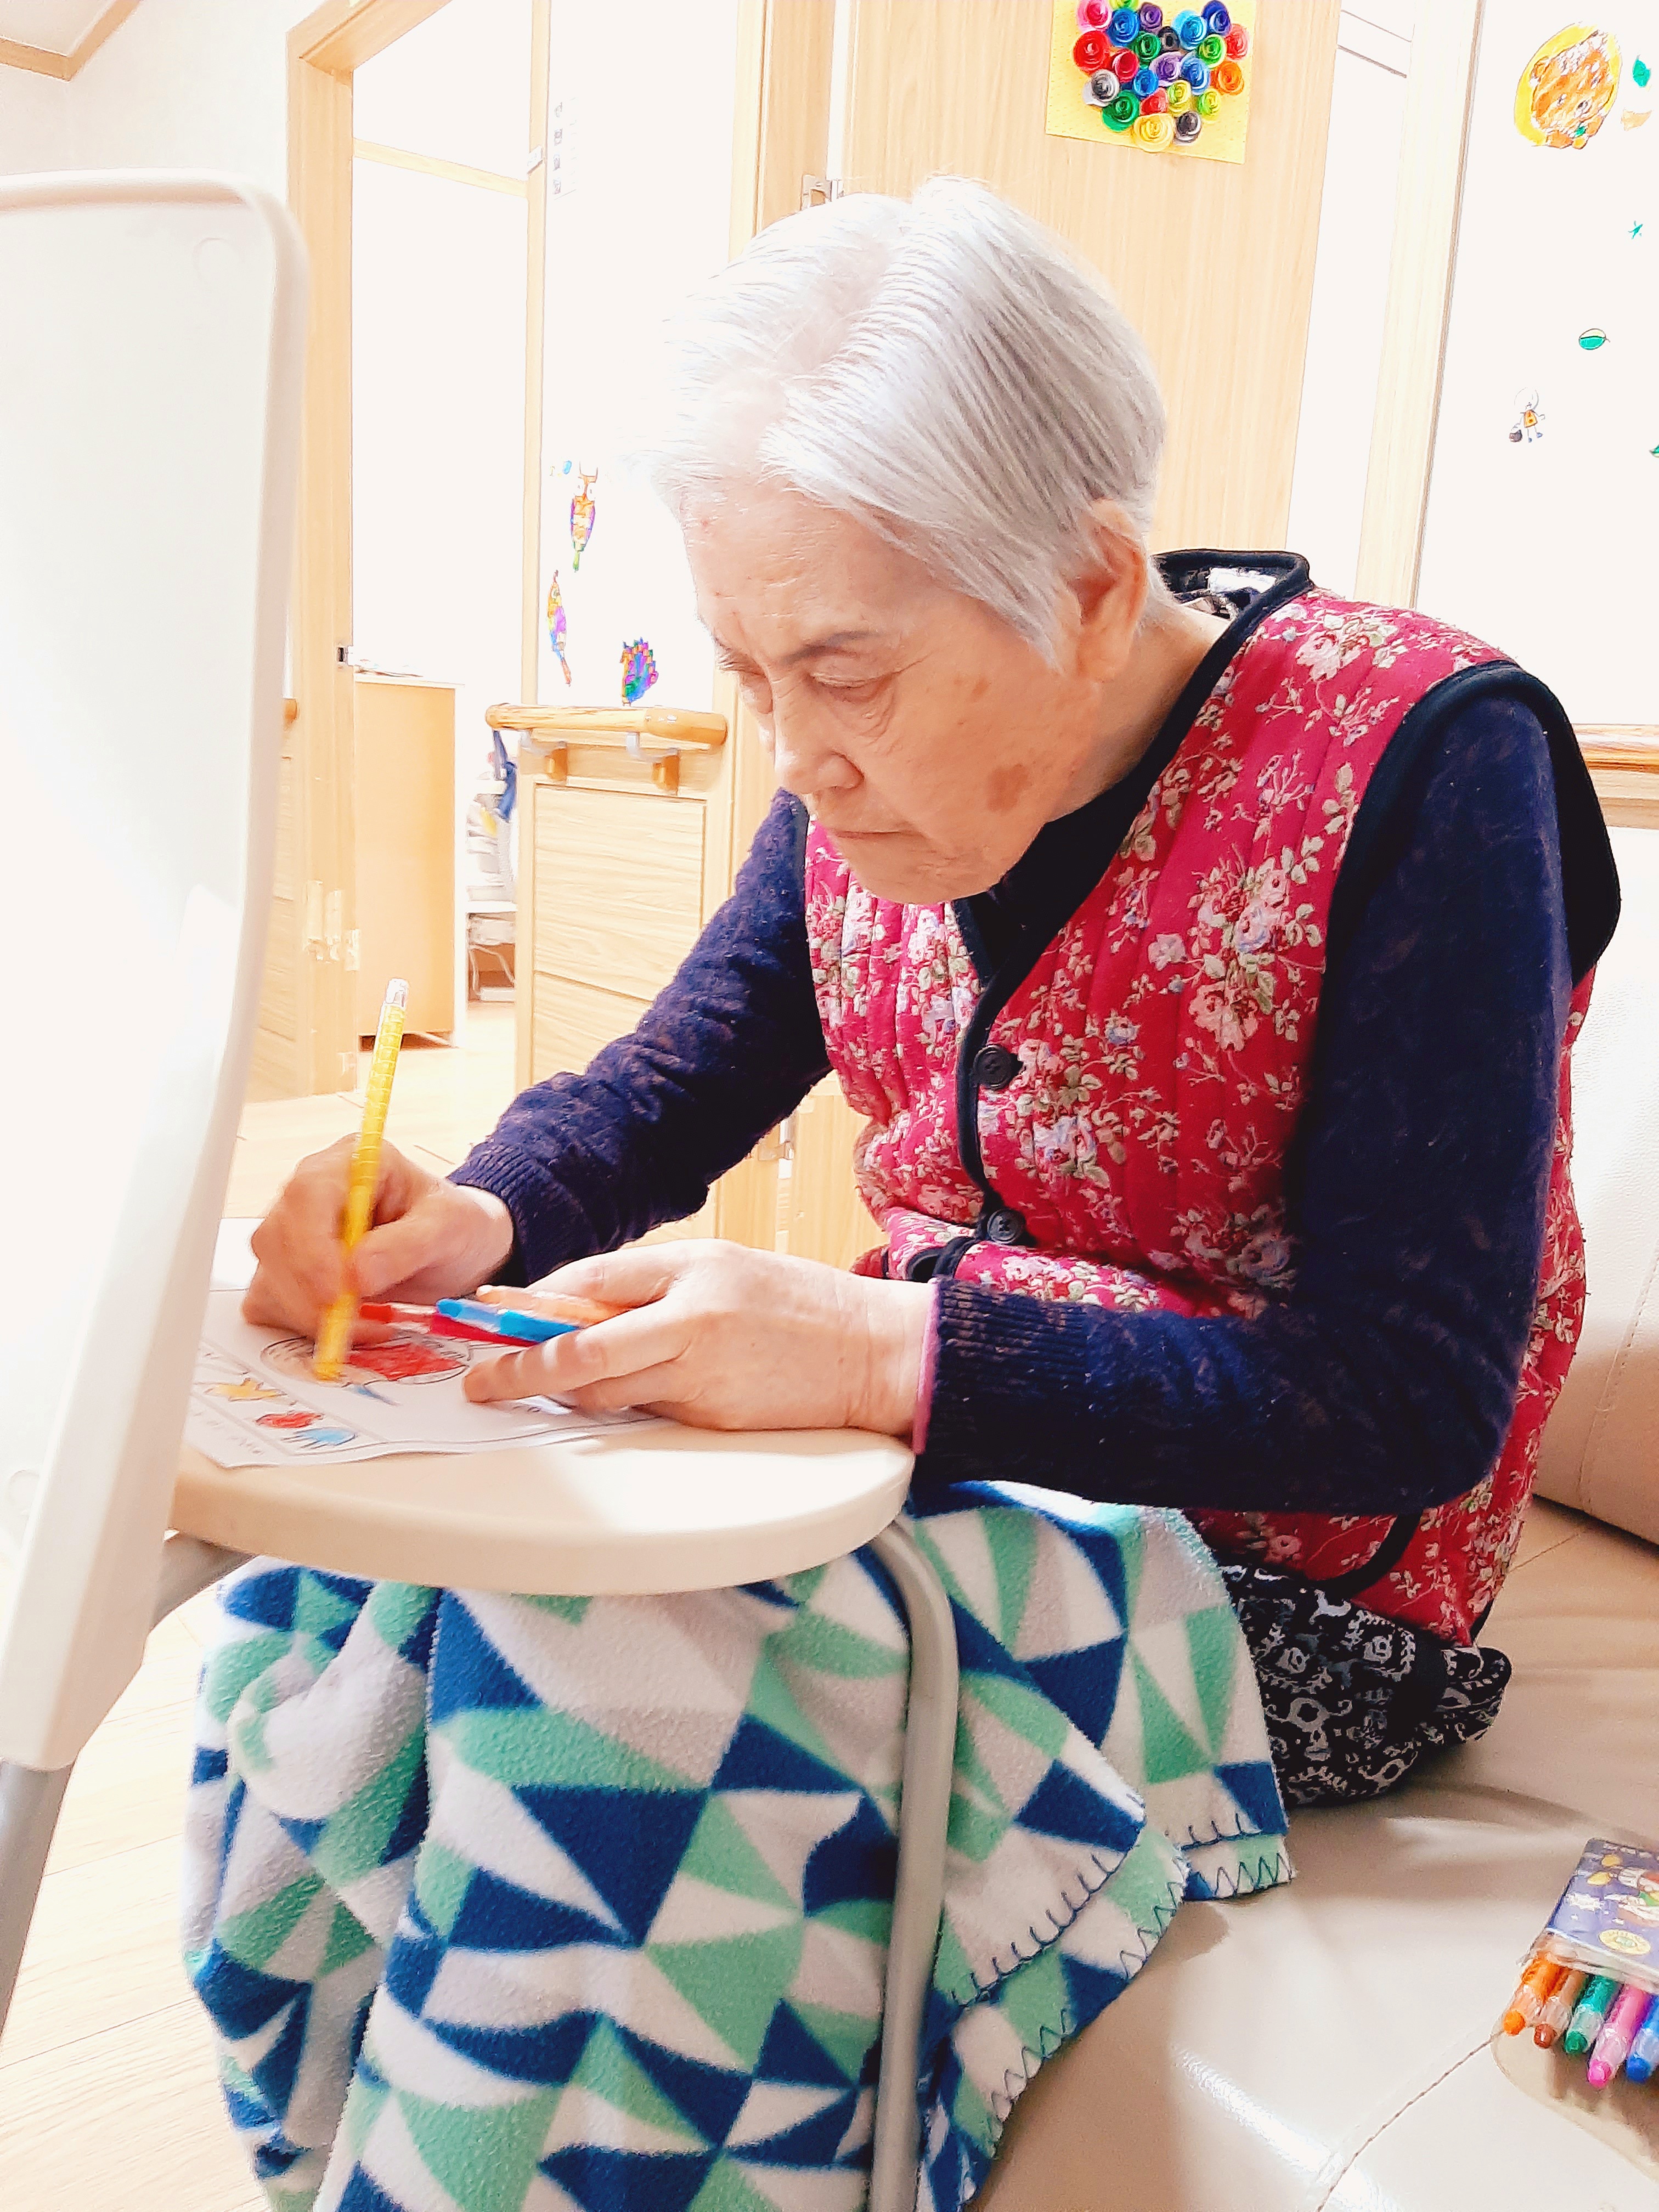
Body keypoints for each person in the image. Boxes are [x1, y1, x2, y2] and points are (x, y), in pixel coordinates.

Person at [193, 179, 1616, 2208]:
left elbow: (1408, 1398)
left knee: (599, 1657)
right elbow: (678, 1079)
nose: (792, 753)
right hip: (915, 1462)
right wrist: (471, 1216)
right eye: (748, 671)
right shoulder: (860, 770)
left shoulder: (1428, 762)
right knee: (362, 1577)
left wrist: (882, 1352)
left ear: (1093, 586)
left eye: (840, 674)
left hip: (1300, 1596)